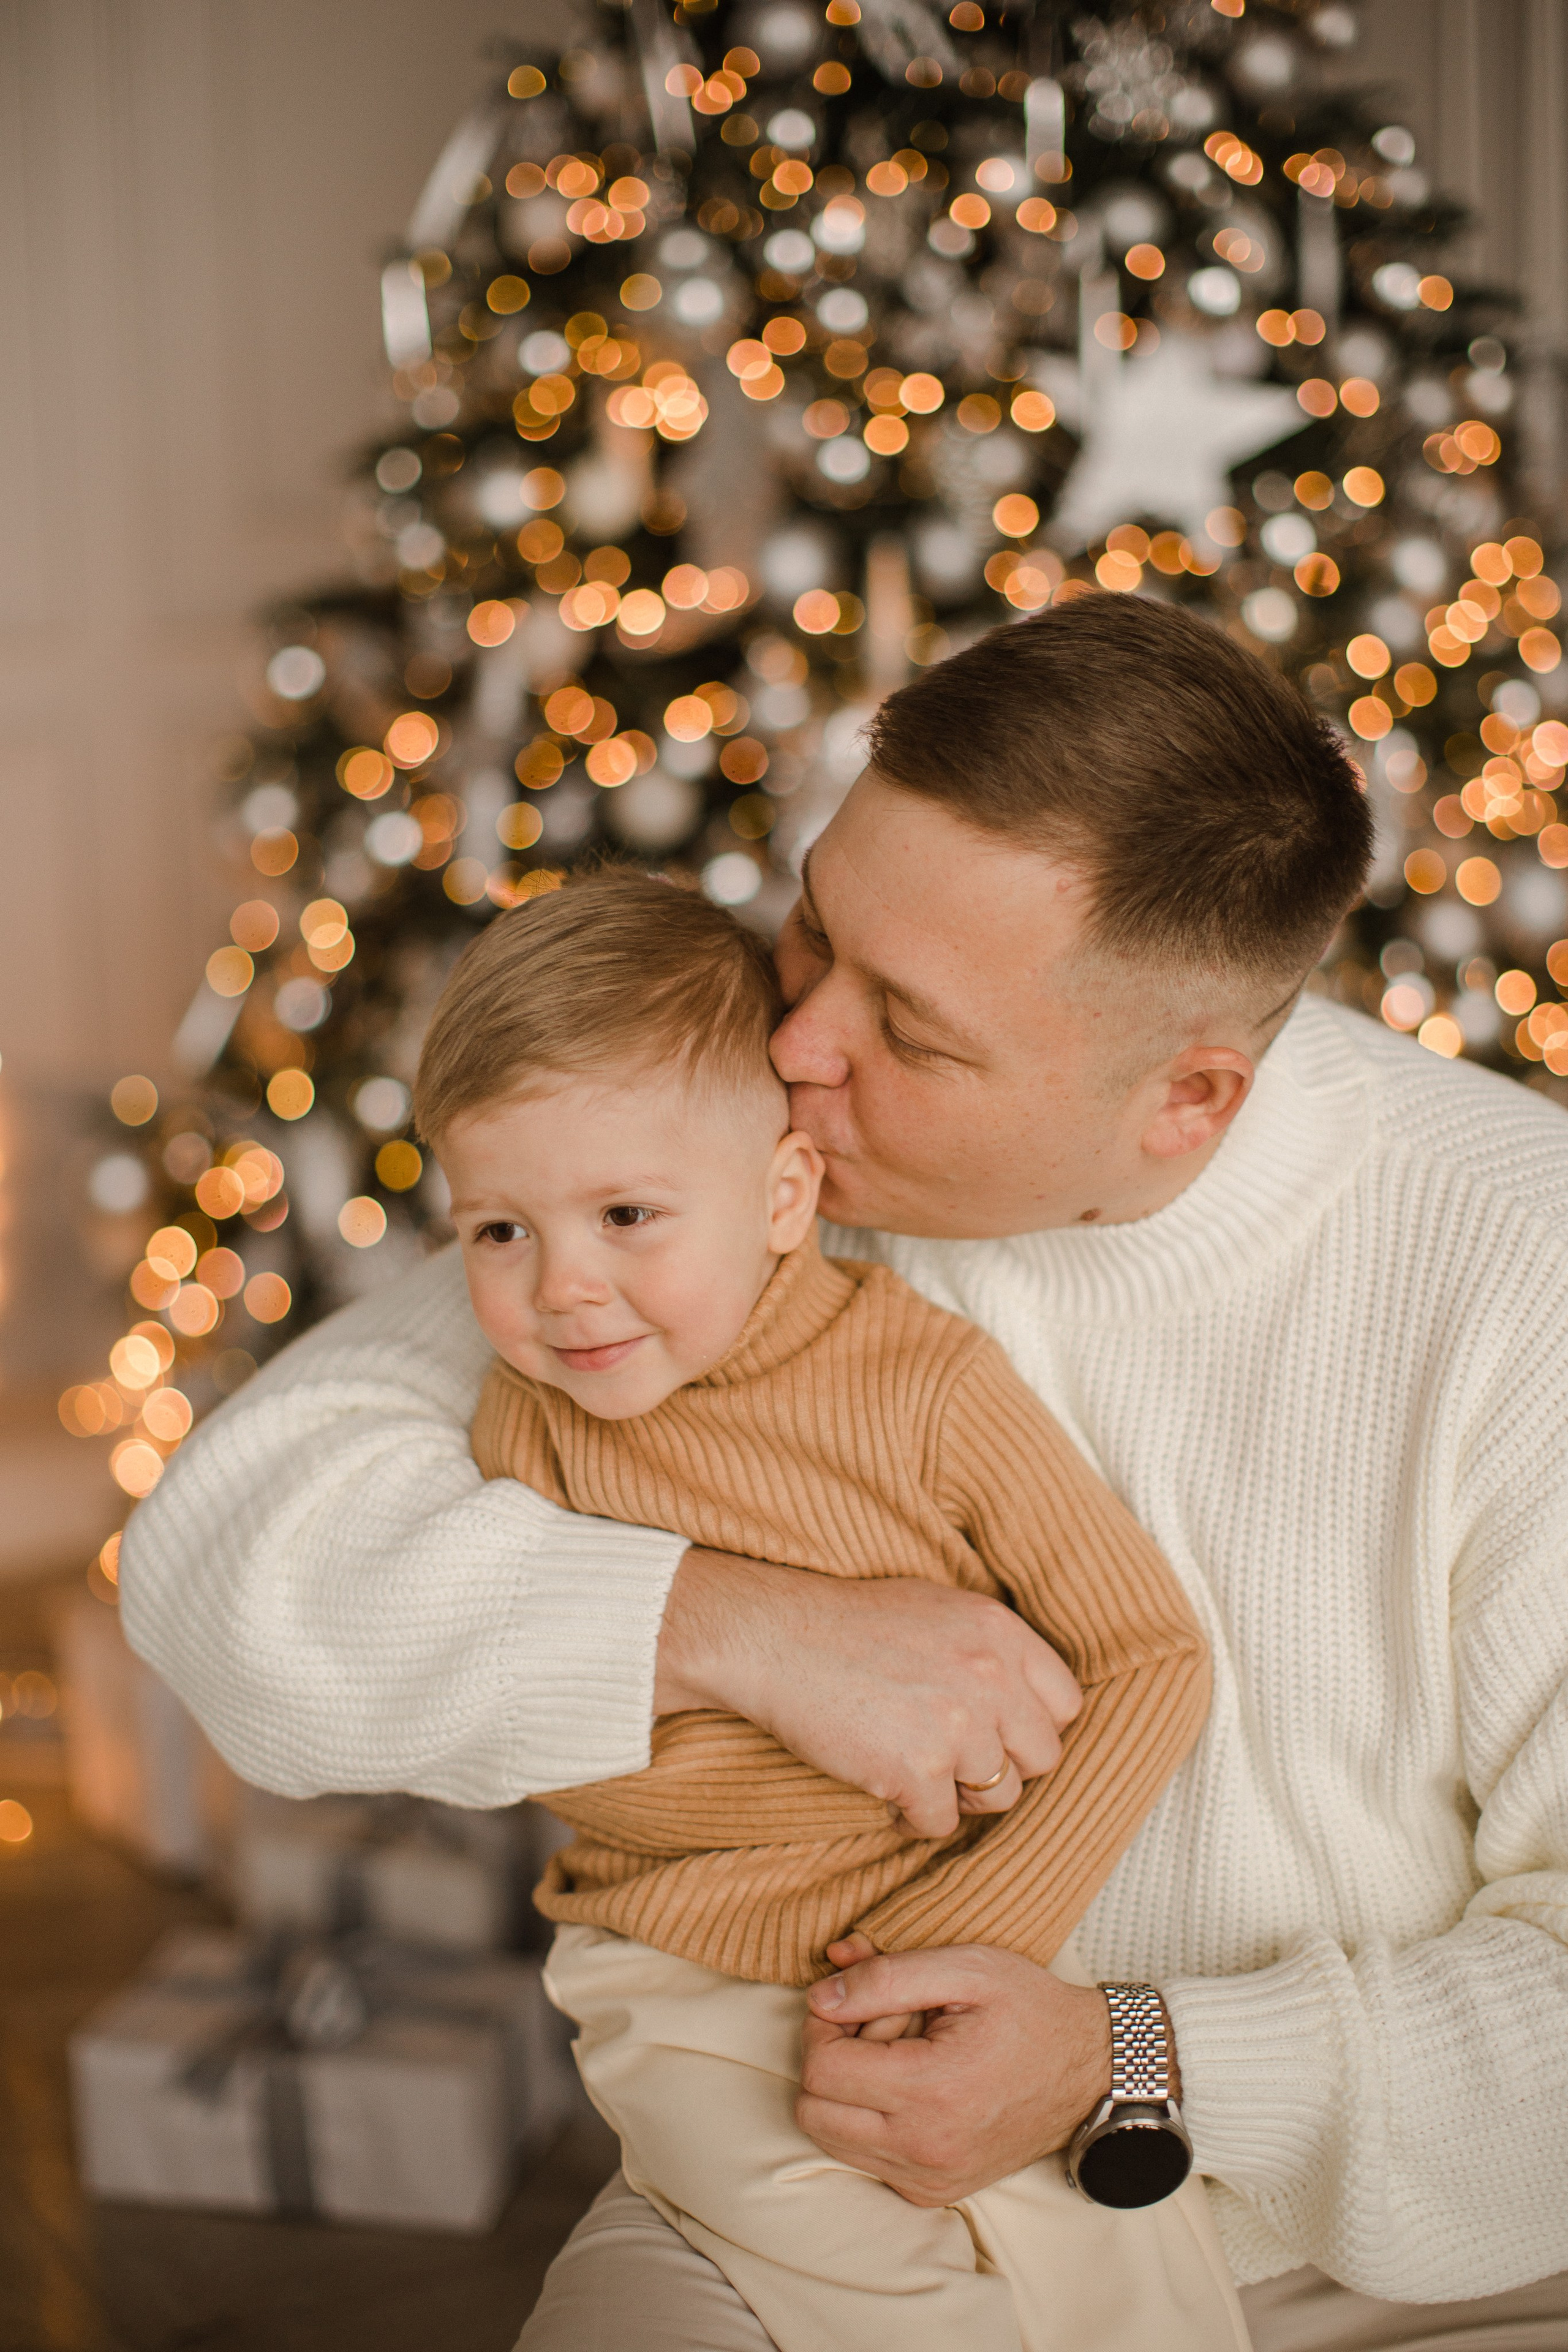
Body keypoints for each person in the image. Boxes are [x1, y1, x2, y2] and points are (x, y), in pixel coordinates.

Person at [121, 597, 1568, 2350]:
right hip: (805, 2196)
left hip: (1396, 2250)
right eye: (815, 929)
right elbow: (226, 1560)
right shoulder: (765, 1155)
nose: (798, 1048)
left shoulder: (1517, 1274)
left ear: (1186, 1098)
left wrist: (1131, 2056)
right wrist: (727, 1627)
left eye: (912, 1027)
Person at [418, 868, 1236, 2352]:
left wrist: (978, 1925)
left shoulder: (923, 1385)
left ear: (782, 1195)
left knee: (1128, 2267)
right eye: (497, 1232)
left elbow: (1151, 1655)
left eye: (623, 1213)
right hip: (685, 1978)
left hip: (981, 1950)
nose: (565, 1291)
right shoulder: (524, 1424)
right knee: (854, 2265)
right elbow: (513, 1709)